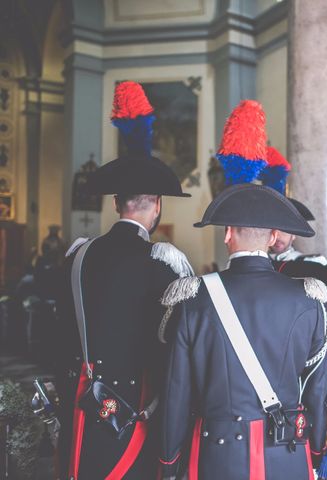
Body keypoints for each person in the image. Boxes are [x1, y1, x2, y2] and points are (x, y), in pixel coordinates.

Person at [158, 100, 327, 479]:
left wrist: (169, 462)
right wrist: (316, 453)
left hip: (218, 459)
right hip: (288, 456)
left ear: (227, 234)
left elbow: (177, 391)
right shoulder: (310, 299)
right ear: (272, 237)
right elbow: (317, 392)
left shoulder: (194, 298)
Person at [54, 81, 193, 479]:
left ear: (115, 204)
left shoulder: (77, 256)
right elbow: (175, 350)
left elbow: (60, 336)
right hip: (137, 410)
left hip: (84, 403)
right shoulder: (164, 262)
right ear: (157, 207)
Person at [261, 146, 327, 289]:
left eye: (284, 230)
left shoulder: (313, 264)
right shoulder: (257, 264)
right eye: (273, 229)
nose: (277, 236)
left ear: (293, 234)